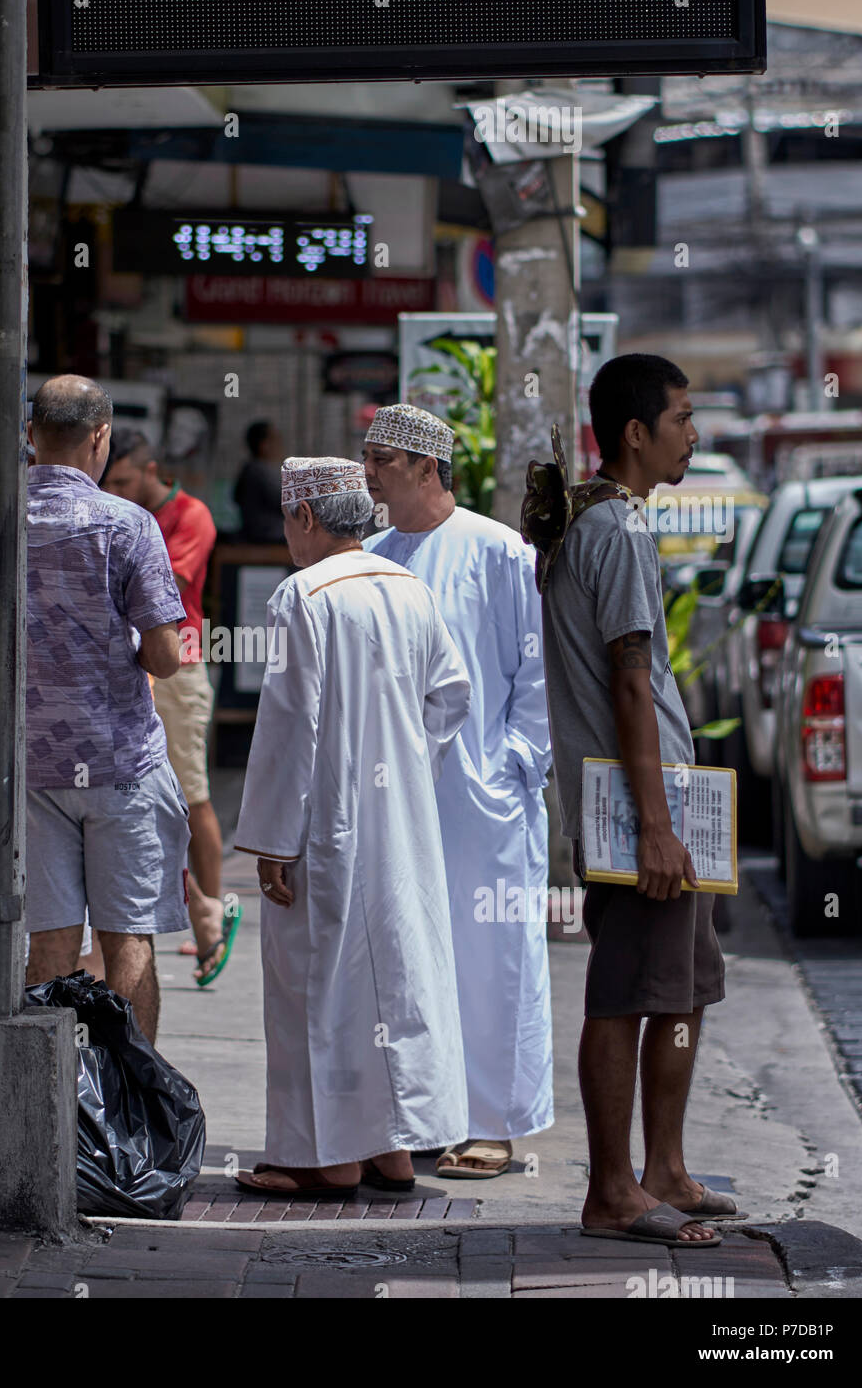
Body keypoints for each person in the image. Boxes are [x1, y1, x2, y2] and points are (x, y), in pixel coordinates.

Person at [232, 457, 473, 1196]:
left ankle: (321, 1158)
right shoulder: (410, 588)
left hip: (327, 823)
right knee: (394, 978)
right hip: (401, 819)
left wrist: (272, 838)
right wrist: (406, 763)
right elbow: (452, 696)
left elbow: (287, 730)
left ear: (305, 516)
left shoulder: (302, 596)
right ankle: (391, 1151)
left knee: (316, 981)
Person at [542, 353, 731, 1247]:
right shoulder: (615, 531)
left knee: (683, 989)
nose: (693, 435)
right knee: (624, 994)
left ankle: (665, 1171)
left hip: (664, 799)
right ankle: (612, 1189)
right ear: (635, 433)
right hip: (634, 807)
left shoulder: (607, 522)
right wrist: (656, 827)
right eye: (683, 418)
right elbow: (627, 688)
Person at [362, 403, 553, 1179]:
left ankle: (494, 1123)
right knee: (405, 957)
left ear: (427, 467)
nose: (367, 471)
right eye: (366, 456)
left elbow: (537, 671)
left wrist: (515, 764)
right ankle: (421, 1116)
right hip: (393, 792)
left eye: (382, 458)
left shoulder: (498, 550)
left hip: (483, 794)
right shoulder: (369, 552)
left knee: (491, 954)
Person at [22, 375, 190, 1044]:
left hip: (33, 765)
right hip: (120, 762)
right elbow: (167, 654)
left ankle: (49, 1109)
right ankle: (129, 1103)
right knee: (127, 937)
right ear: (100, 438)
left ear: (31, 436)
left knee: (50, 942)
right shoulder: (129, 524)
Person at [100, 429, 235, 985]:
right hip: (126, 665)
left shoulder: (191, 514)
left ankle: (218, 909)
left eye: (127, 481)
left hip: (177, 667)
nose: (119, 492)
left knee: (189, 792)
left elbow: (166, 586)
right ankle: (199, 910)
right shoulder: (128, 514)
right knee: (144, 802)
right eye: (111, 484)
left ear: (151, 469)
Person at [232, 420, 286, 544]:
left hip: (257, 533)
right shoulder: (259, 471)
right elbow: (284, 501)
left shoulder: (249, 468)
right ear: (264, 445)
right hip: (268, 535)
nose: (280, 445)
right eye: (276, 439)